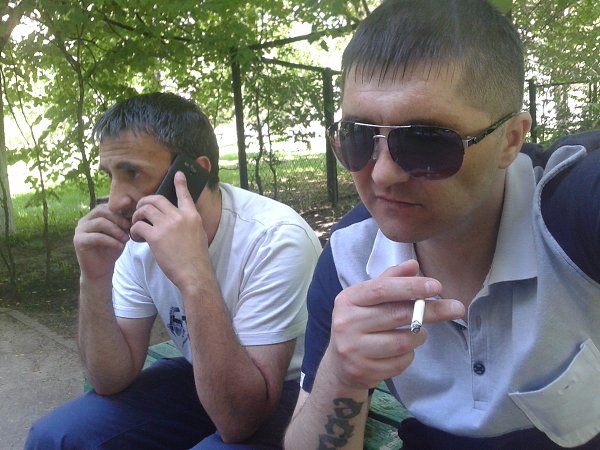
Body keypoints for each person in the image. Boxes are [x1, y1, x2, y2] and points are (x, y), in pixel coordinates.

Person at [284, 0, 600, 449]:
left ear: (510, 140)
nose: (382, 174)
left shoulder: (574, 213)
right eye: (358, 136)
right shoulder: (349, 260)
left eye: (427, 141)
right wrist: (341, 373)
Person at [26, 92, 322, 449]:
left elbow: (238, 422)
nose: (116, 200)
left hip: (288, 392)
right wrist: (94, 278)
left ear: (193, 173)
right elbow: (109, 379)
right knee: (54, 437)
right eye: (110, 176)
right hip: (200, 376)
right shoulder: (141, 239)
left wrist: (194, 275)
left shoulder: (275, 239)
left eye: (133, 173)